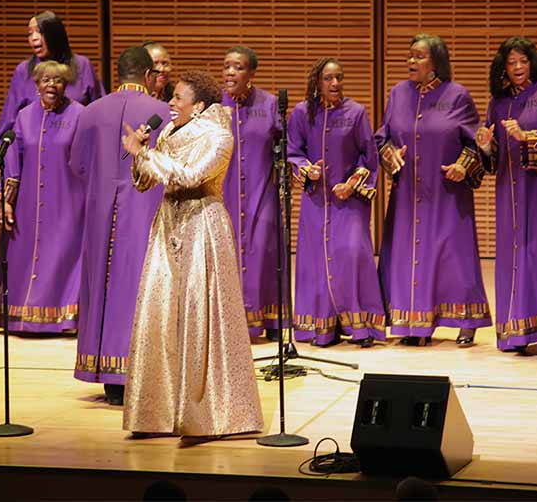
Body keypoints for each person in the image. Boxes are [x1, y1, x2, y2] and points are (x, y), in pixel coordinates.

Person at [122, 71, 264, 438]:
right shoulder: (167, 134)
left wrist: (147, 155)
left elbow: (191, 177)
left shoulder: (220, 136)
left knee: (200, 313)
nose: (170, 103)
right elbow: (144, 183)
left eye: (178, 97)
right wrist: (142, 153)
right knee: (161, 311)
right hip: (168, 224)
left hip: (202, 225)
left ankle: (209, 413)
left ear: (198, 105)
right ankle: (158, 412)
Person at [376, 34, 492, 346]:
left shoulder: (457, 96)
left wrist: (462, 166)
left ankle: (466, 321)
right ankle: (414, 323)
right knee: (406, 256)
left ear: (436, 62)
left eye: (418, 56)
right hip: (408, 197)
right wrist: (391, 156)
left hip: (446, 195)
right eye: (408, 56)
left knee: (452, 257)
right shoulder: (398, 94)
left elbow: (475, 143)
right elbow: (381, 137)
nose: (410, 62)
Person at [69, 46, 169, 405]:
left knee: (104, 287)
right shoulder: (163, 112)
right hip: (145, 213)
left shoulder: (91, 111)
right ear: (148, 76)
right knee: (140, 287)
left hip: (99, 216)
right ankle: (142, 376)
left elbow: (77, 164)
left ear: (118, 74)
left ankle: (109, 377)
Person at [476, 37, 537, 353]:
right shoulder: (498, 102)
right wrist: (487, 143)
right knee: (513, 258)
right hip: (508, 192)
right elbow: (492, 155)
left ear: (532, 62)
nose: (517, 68)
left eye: (522, 61)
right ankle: (516, 333)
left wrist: (527, 136)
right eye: (511, 63)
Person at [288, 58, 385, 348]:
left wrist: (352, 183)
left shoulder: (356, 113)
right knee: (317, 262)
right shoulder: (301, 113)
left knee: (353, 254)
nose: (335, 84)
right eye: (328, 79)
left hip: (349, 202)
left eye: (339, 78)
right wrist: (308, 169)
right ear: (317, 82)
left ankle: (362, 329)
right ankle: (324, 330)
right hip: (316, 202)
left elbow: (369, 156)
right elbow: (293, 151)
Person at [0, 60, 85, 332]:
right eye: (45, 80)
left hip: (68, 204)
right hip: (28, 206)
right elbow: (13, 160)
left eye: (57, 80)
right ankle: (23, 317)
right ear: (36, 84)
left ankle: (62, 318)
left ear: (65, 84)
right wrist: (7, 202)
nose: (51, 85)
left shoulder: (79, 114)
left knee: (63, 258)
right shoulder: (24, 116)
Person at [220, 46, 283, 339]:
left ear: (251, 73)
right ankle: (229, 324)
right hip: (224, 194)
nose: (231, 72)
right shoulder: (213, 106)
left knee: (263, 253)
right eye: (227, 67)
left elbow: (286, 146)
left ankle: (269, 320)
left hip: (261, 193)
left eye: (238, 67)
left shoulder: (269, 103)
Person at [0, 11, 103, 152]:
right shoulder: (23, 71)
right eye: (30, 33)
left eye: (39, 32)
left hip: (75, 154)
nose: (34, 38)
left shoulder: (83, 66)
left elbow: (99, 113)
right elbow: (9, 117)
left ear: (55, 35)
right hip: (33, 154)